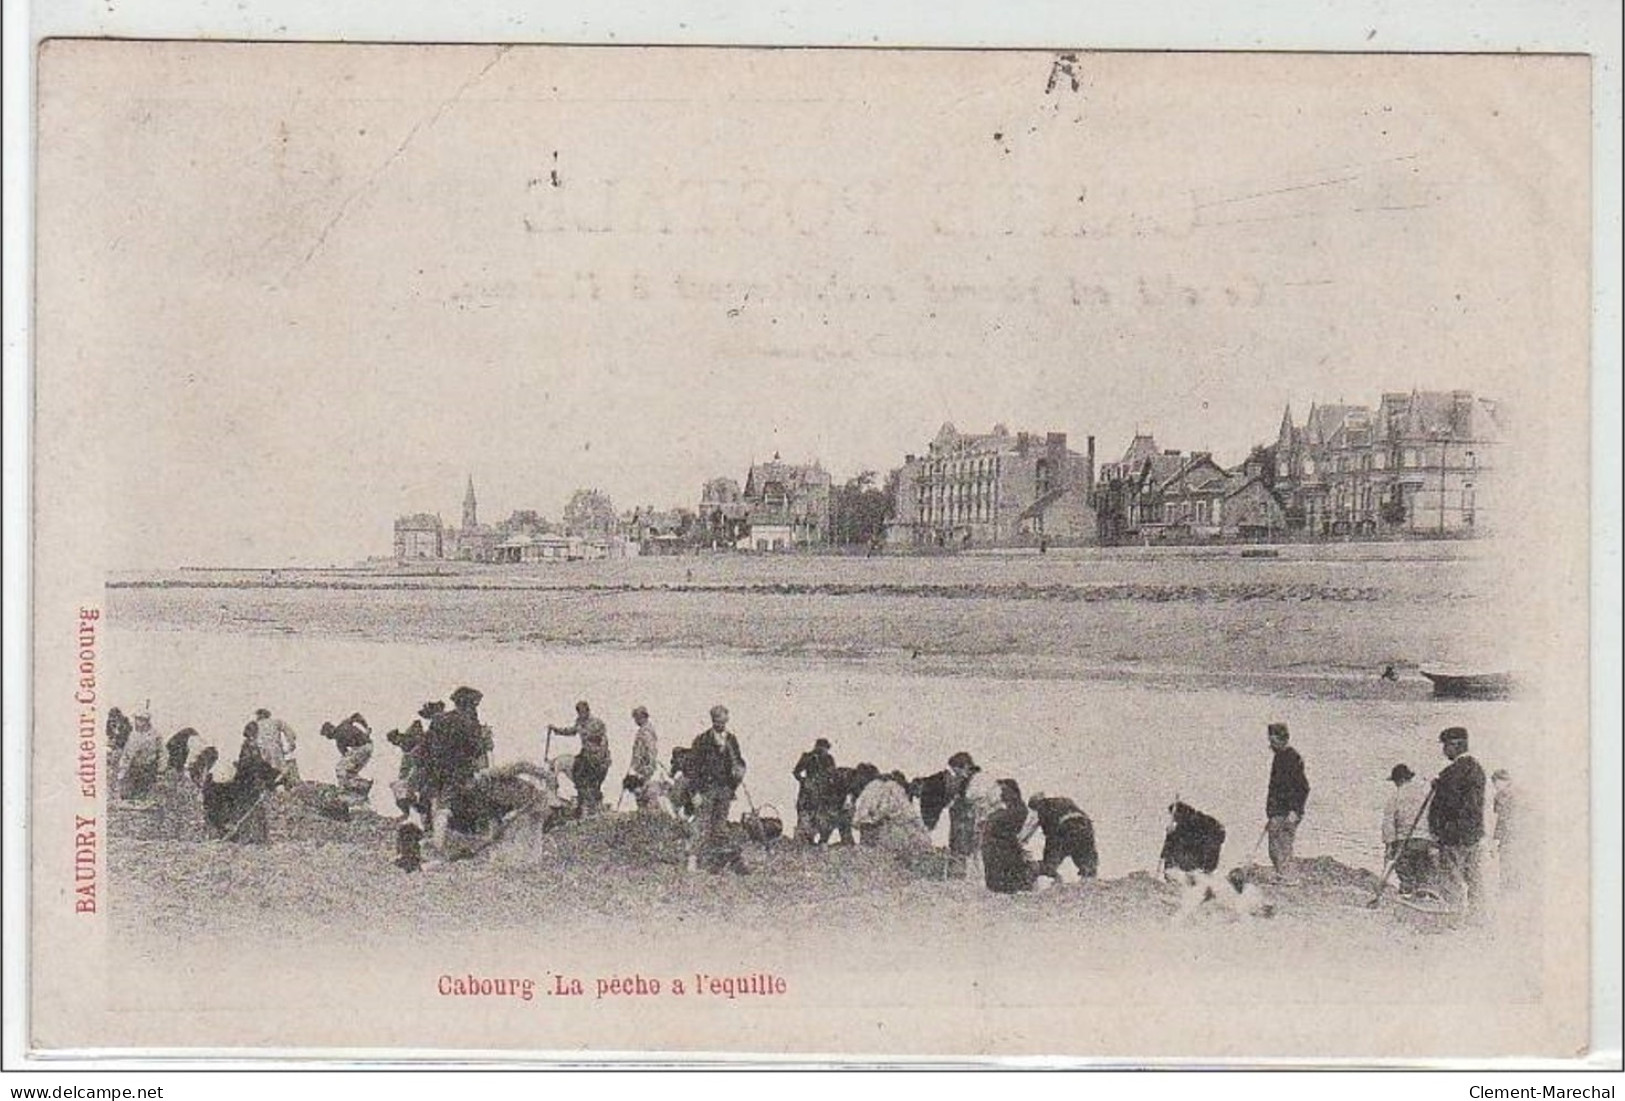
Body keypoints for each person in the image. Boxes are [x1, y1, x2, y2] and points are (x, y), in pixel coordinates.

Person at [421, 687, 488, 858]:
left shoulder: (439, 718)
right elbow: (476, 749)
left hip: (436, 768)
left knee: (436, 801)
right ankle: (439, 844)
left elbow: (426, 744)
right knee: (447, 806)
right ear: (470, 704)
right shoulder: (467, 722)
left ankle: (434, 837)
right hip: (458, 770)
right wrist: (485, 740)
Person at [1427, 726, 1487, 917]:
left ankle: (1454, 917)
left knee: (1451, 878)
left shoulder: (1451, 773)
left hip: (1453, 835)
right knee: (1475, 877)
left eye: (1445, 746)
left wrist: (1437, 829)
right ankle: (1478, 917)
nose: (1444, 750)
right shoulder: (1477, 769)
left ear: (1455, 746)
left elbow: (1449, 806)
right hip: (1474, 833)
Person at [686, 705, 748, 874]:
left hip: (725, 789)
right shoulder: (702, 740)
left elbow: (740, 762)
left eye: (723, 721)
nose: (720, 724)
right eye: (717, 721)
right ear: (712, 720)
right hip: (706, 789)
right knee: (701, 824)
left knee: (719, 826)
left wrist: (740, 771)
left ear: (727, 721)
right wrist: (695, 792)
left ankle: (716, 863)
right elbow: (693, 768)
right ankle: (692, 861)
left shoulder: (732, 740)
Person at [1381, 764, 1436, 898]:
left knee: (1405, 872)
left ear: (1398, 780)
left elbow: (1388, 824)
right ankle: (1422, 895)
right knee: (1423, 871)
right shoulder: (1424, 794)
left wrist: (1389, 845)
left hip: (1404, 841)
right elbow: (1434, 816)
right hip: (1425, 840)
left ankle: (1407, 893)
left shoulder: (1395, 797)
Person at [1264, 722, 1310, 883]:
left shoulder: (1292, 758)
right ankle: (1281, 874)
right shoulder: (1278, 757)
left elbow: (1303, 788)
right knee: (1273, 845)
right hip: (1277, 811)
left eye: (1274, 740)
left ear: (1283, 739)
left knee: (1284, 843)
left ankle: (1288, 876)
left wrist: (1295, 810)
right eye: (1270, 740)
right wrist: (1270, 812)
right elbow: (1275, 788)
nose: (1271, 743)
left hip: (1288, 811)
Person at [549, 701, 611, 816]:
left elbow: (601, 741)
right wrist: (557, 730)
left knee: (589, 781)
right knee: (578, 775)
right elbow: (572, 731)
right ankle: (582, 804)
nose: (581, 715)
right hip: (587, 755)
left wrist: (598, 756)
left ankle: (592, 806)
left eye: (583, 712)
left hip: (597, 757)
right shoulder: (580, 722)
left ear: (587, 711)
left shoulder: (596, 723)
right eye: (579, 712)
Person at [1021, 791, 1099, 880]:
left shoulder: (1043, 808)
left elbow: (1031, 829)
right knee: (1087, 862)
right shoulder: (1066, 802)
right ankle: (1089, 878)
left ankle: (1043, 873)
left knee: (1049, 864)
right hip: (1085, 827)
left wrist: (1019, 843)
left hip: (1064, 829)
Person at [981, 779, 1036, 894]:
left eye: (1004, 790)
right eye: (1001, 791)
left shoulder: (1017, 809)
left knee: (1003, 885)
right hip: (996, 848)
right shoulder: (1008, 808)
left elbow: (1001, 824)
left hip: (1002, 848)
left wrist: (991, 816)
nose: (1001, 794)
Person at [791, 737, 836, 843]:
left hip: (820, 791)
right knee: (807, 814)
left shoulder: (827, 759)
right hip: (810, 791)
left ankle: (814, 839)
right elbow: (796, 772)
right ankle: (806, 839)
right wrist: (804, 781)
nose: (823, 750)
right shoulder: (808, 757)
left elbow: (832, 774)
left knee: (819, 815)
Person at [1491, 768, 1526, 896]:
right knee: (1504, 861)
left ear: (1506, 781)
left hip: (1516, 834)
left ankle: (1515, 887)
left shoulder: (1517, 796)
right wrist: (1496, 838)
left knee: (1514, 861)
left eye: (1497, 782)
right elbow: (1498, 818)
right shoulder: (1498, 797)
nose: (1495, 785)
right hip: (1504, 834)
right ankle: (1505, 888)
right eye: (1494, 783)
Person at [116, 708, 164, 803]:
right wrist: (122, 768)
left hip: (148, 769)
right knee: (129, 794)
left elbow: (162, 753)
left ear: (146, 721)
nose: (137, 722)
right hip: (133, 768)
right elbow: (126, 753)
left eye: (140, 719)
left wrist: (161, 770)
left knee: (145, 794)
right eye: (136, 719)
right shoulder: (133, 735)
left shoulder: (155, 735)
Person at [323, 712, 375, 798]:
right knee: (349, 769)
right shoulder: (344, 724)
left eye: (327, 735)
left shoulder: (339, 740)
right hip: (368, 747)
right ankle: (360, 784)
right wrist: (366, 727)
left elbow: (345, 755)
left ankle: (347, 788)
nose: (328, 737)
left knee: (340, 768)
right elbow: (357, 716)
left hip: (361, 748)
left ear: (330, 731)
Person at [250, 708, 301, 785]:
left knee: (265, 775)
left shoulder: (255, 725)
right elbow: (291, 733)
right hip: (275, 752)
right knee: (282, 772)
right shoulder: (277, 722)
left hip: (261, 753)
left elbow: (250, 740)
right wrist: (291, 745)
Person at [625, 706, 661, 812]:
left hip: (645, 770)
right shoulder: (643, 731)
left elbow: (651, 752)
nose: (635, 720)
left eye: (637, 717)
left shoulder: (646, 732)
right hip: (641, 769)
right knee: (642, 797)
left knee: (647, 797)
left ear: (643, 717)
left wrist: (647, 769)